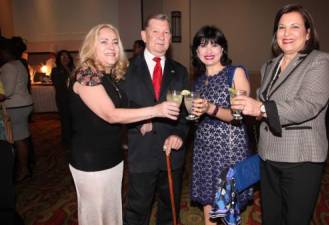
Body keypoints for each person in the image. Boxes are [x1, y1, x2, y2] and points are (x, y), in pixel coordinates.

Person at [231, 4, 329, 225]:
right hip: (268, 155)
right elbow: (263, 100)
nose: (286, 33)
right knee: (271, 217)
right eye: (281, 27)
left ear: (308, 33)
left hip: (301, 158)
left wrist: (259, 108)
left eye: (294, 27)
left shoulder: (320, 61)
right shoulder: (269, 66)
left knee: (295, 219)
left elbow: (308, 105)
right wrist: (245, 107)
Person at [68, 23, 181, 225]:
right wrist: (156, 110)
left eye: (115, 42)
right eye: (103, 42)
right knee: (95, 217)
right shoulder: (87, 74)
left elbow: (128, 104)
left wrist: (143, 121)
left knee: (111, 214)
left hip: (112, 156)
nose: (111, 47)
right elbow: (111, 115)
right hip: (91, 159)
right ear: (91, 47)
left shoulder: (108, 76)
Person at [121, 14, 189, 225]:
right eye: (155, 32)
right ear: (144, 35)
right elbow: (117, 109)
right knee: (137, 210)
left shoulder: (180, 71)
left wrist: (179, 134)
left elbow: (186, 113)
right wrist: (140, 119)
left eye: (166, 32)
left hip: (171, 152)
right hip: (140, 150)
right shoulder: (125, 68)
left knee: (170, 209)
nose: (161, 37)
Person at [188, 25, 252, 225]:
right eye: (203, 46)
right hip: (204, 151)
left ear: (223, 49)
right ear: (196, 51)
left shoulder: (234, 73)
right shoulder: (198, 82)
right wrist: (194, 114)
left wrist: (210, 109)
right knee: (208, 205)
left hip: (228, 151)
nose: (208, 51)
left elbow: (238, 116)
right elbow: (197, 117)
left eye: (214, 45)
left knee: (226, 212)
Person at [0, 38, 33, 182]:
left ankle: (23, 169)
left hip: (16, 106)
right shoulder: (20, 64)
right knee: (22, 137)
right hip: (23, 104)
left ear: (6, 52)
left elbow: (6, 92)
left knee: (18, 139)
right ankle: (25, 167)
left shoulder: (9, 67)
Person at [51, 50, 74, 145]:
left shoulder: (73, 69)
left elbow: (75, 81)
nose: (65, 58)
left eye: (67, 56)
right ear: (58, 59)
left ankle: (74, 138)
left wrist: (67, 68)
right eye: (62, 57)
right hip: (63, 98)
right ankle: (67, 140)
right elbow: (59, 85)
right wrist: (64, 67)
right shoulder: (55, 70)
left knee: (74, 119)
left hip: (74, 99)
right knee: (65, 119)